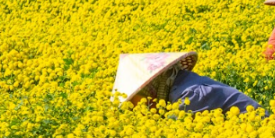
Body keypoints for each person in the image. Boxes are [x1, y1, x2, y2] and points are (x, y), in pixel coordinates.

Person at [112, 51, 263, 115]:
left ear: (150, 89)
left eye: (139, 104)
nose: (142, 111)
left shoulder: (190, 94)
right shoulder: (177, 86)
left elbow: (172, 136)